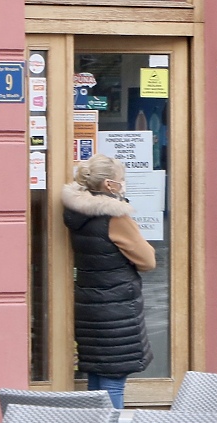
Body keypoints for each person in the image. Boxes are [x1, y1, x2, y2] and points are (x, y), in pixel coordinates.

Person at [62, 153, 156, 408]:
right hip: (116, 308)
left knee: (95, 378)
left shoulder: (76, 213)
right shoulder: (115, 216)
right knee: (113, 380)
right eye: (121, 179)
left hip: (89, 303)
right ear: (109, 185)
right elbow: (148, 261)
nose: (123, 183)